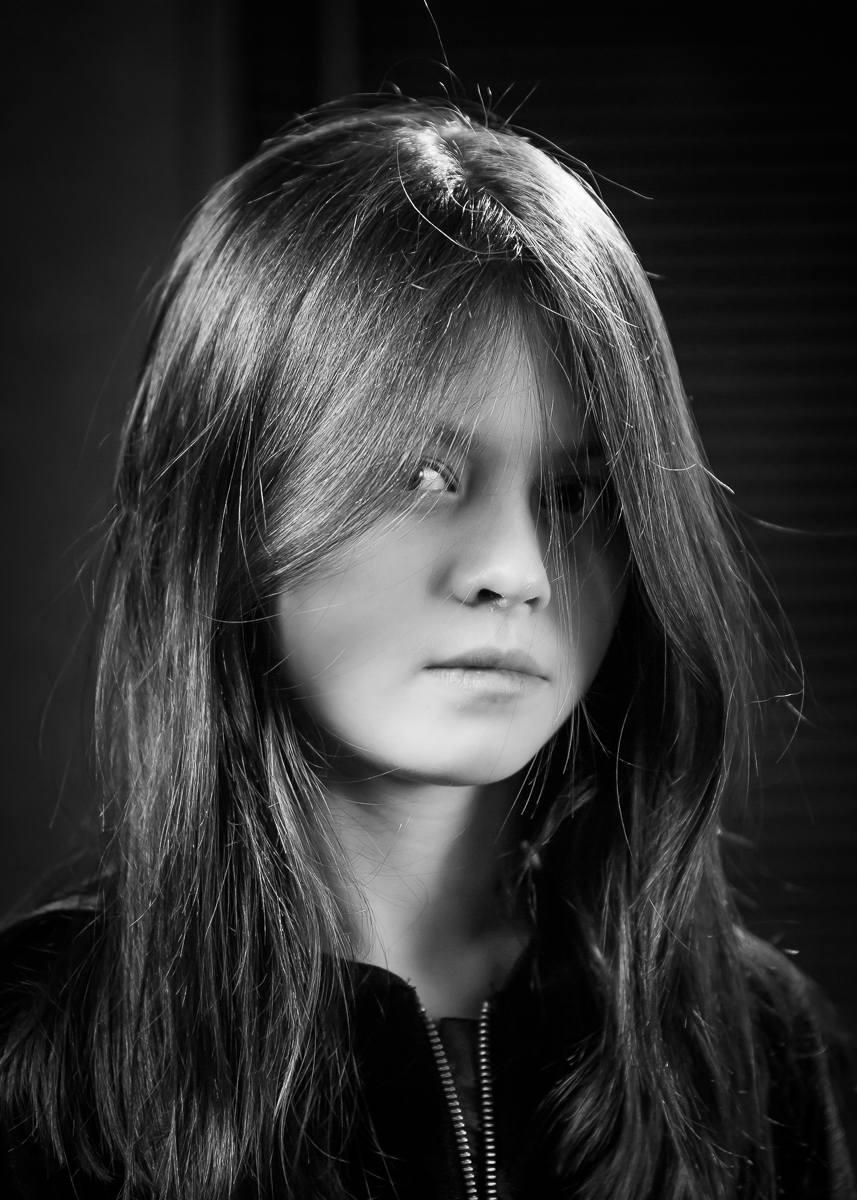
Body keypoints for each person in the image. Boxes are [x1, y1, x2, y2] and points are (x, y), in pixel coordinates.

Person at [0, 99, 853, 1200]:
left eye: (576, 493)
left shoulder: (759, 1053)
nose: (516, 568)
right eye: (420, 475)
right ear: (230, 512)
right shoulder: (31, 1060)